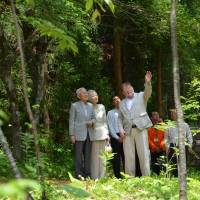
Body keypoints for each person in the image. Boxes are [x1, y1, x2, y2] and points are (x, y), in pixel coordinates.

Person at [118, 71, 153, 176]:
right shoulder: (121, 103)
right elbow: (119, 118)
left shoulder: (142, 96)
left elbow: (148, 92)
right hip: (127, 131)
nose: (128, 91)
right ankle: (129, 178)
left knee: (144, 154)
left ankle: (146, 178)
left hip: (140, 128)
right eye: (126, 90)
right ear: (123, 93)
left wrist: (147, 83)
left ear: (132, 87)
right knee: (129, 155)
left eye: (129, 88)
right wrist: (120, 129)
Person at [69, 87, 96, 179]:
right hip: (78, 134)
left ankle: (87, 174)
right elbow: (71, 121)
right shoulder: (74, 106)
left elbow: (94, 118)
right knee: (78, 155)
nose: (86, 94)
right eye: (84, 93)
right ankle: (79, 174)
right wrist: (71, 134)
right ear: (79, 96)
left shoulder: (91, 106)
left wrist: (91, 122)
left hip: (89, 134)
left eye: (86, 93)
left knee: (88, 155)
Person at [88, 90, 109, 179]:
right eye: (93, 96)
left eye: (96, 95)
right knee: (95, 156)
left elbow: (105, 121)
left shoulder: (102, 106)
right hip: (93, 134)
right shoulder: (88, 108)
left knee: (103, 156)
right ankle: (94, 177)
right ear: (89, 98)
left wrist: (107, 133)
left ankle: (102, 176)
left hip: (103, 133)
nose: (95, 97)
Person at [166, 109, 193, 177]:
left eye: (174, 114)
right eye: (172, 114)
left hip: (183, 145)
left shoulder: (185, 125)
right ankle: (175, 177)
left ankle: (183, 177)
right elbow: (166, 138)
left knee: (183, 163)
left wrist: (190, 145)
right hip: (173, 145)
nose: (173, 115)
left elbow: (189, 135)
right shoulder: (169, 125)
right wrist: (167, 147)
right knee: (173, 163)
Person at [107, 96, 125, 178]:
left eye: (118, 99)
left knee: (126, 156)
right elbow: (110, 127)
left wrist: (124, 136)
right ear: (113, 103)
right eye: (114, 100)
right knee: (116, 157)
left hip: (125, 136)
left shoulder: (125, 111)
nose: (117, 101)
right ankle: (117, 176)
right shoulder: (110, 113)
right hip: (115, 137)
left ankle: (127, 174)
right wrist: (117, 138)